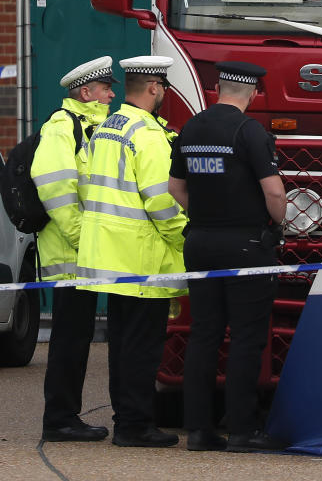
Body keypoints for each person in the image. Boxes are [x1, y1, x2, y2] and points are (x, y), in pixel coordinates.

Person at [168, 61, 287, 453]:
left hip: (199, 241)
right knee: (246, 338)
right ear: (252, 93)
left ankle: (199, 430)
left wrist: (204, 216)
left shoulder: (191, 128)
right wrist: (276, 222)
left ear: (218, 88)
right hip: (246, 246)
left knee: (204, 335)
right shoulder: (249, 131)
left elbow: (175, 187)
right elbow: (274, 193)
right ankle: (242, 430)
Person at [76, 56, 188, 448]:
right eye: (165, 89)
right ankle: (135, 426)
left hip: (109, 255)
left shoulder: (108, 126)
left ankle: (126, 418)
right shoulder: (148, 134)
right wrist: (184, 240)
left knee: (121, 345)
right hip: (141, 258)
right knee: (141, 347)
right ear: (155, 87)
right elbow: (162, 203)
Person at [35, 56, 117, 442]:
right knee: (69, 339)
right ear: (86, 92)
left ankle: (66, 416)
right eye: (105, 89)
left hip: (85, 254)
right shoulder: (62, 126)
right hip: (71, 256)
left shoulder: (92, 128)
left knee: (78, 336)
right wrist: (84, 240)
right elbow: (54, 186)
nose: (111, 95)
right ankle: (60, 420)